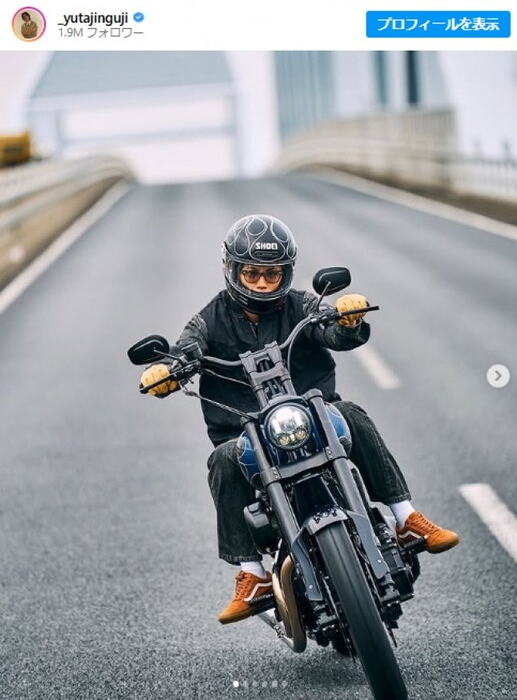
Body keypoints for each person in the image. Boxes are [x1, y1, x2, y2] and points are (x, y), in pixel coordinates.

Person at [140, 214, 460, 625]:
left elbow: (332, 331)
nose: (260, 283)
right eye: (251, 273)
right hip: (245, 433)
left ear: (285, 273)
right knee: (221, 459)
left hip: (315, 417)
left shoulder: (302, 305)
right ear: (232, 269)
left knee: (352, 413)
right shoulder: (207, 320)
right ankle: (252, 573)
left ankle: (405, 518)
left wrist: (347, 319)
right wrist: (170, 371)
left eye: (271, 275)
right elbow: (186, 350)